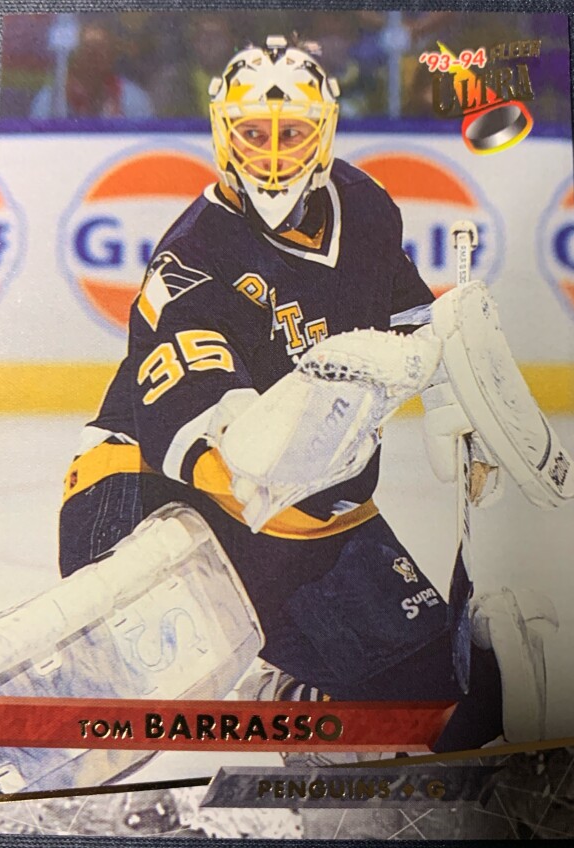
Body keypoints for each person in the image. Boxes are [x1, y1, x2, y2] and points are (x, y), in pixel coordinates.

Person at [59, 35, 505, 752]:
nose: (271, 154)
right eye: (253, 134)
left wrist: (463, 397)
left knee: (441, 700)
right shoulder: (193, 254)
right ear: (223, 135)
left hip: (302, 508)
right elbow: (217, 450)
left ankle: (294, 680)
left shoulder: (364, 210)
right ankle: (263, 673)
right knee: (140, 665)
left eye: (290, 133)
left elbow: (414, 325)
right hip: (148, 494)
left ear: (322, 133)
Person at [30, 21, 153, 119]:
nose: (94, 57)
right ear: (76, 58)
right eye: (88, 50)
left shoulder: (133, 98)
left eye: (101, 50)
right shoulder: (52, 98)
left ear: (111, 57)